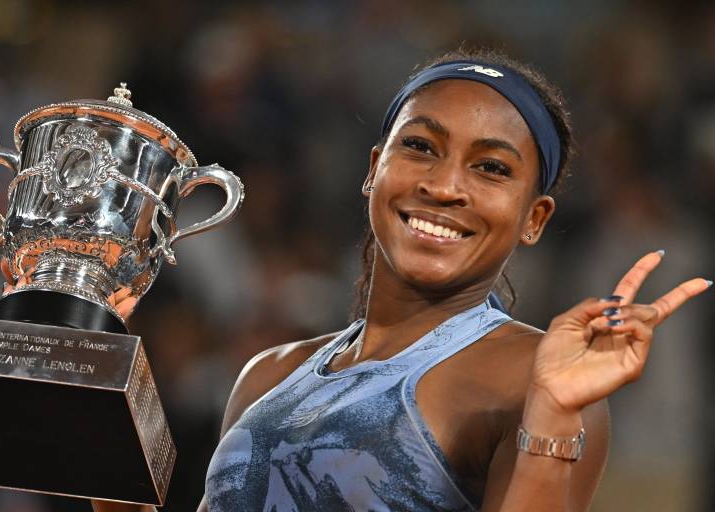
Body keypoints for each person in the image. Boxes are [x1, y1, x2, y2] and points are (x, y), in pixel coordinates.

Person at [91, 47, 710, 512]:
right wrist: (101, 373)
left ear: (534, 218)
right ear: (373, 170)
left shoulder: (534, 378)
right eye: (420, 146)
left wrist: (551, 416)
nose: (444, 186)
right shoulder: (269, 372)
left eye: (491, 168)